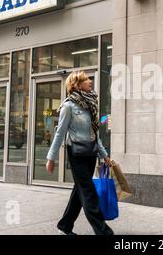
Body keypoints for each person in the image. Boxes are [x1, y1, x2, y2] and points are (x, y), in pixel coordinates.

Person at [46, 71, 115, 235]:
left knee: (80, 191)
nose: (90, 81)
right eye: (86, 79)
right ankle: (103, 231)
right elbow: (60, 133)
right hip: (76, 154)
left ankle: (65, 225)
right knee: (89, 192)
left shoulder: (90, 104)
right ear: (77, 85)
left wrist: (104, 156)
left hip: (90, 153)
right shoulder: (68, 106)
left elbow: (94, 135)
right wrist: (51, 158)